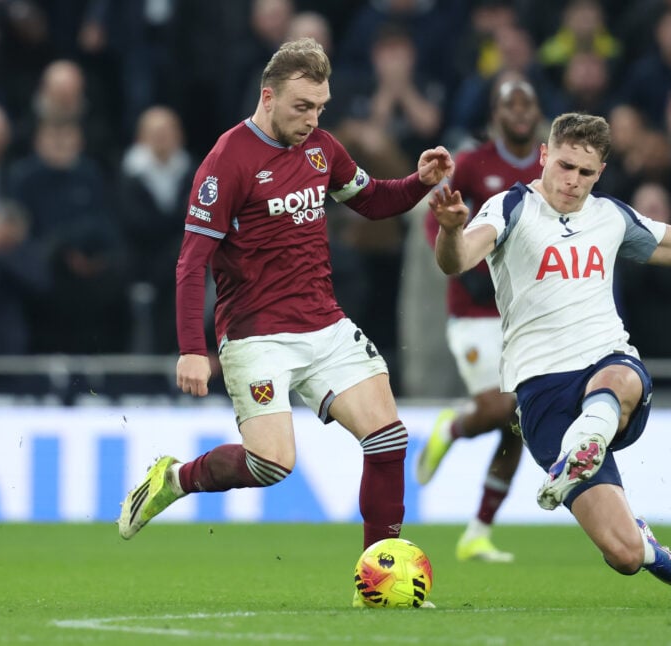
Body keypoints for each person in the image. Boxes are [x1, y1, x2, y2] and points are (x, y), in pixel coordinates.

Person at [430, 112, 671, 588]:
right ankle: (640, 537)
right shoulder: (510, 208)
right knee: (622, 556)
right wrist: (452, 230)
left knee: (620, 377)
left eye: (585, 173)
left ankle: (587, 441)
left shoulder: (611, 217)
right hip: (540, 391)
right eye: (563, 166)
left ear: (599, 173)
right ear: (543, 156)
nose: (572, 182)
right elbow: (457, 261)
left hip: (606, 363)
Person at [117, 39, 453, 596]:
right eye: (302, 106)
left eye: (321, 106)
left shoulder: (321, 148)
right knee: (273, 465)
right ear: (268, 96)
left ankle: (378, 575)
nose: (313, 119)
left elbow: (370, 199)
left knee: (388, 439)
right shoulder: (227, 161)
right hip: (256, 335)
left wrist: (418, 182)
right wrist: (191, 349)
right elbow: (190, 262)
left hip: (325, 323)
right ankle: (173, 479)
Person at [417, 75, 543, 563]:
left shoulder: (546, 167)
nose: (518, 111)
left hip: (522, 312)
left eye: (526, 103)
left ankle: (477, 532)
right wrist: (461, 258)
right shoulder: (472, 163)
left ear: (536, 114)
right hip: (473, 312)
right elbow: (438, 220)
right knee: (499, 409)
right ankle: (451, 427)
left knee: (520, 423)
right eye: (509, 103)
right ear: (495, 113)